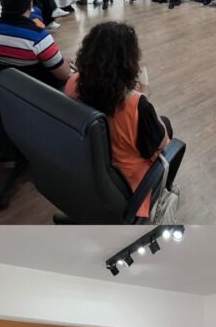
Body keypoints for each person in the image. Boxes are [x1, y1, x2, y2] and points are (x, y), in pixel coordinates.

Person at [64, 22, 172, 219]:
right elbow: (161, 145)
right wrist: (143, 97)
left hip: (85, 162)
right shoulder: (136, 105)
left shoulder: (72, 82)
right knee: (166, 125)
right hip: (125, 182)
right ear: (129, 63)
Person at [0, 0, 71, 89]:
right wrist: (65, 62)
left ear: (1, 3)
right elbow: (64, 74)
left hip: (2, 89)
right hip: (37, 92)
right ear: (31, 5)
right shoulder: (39, 37)